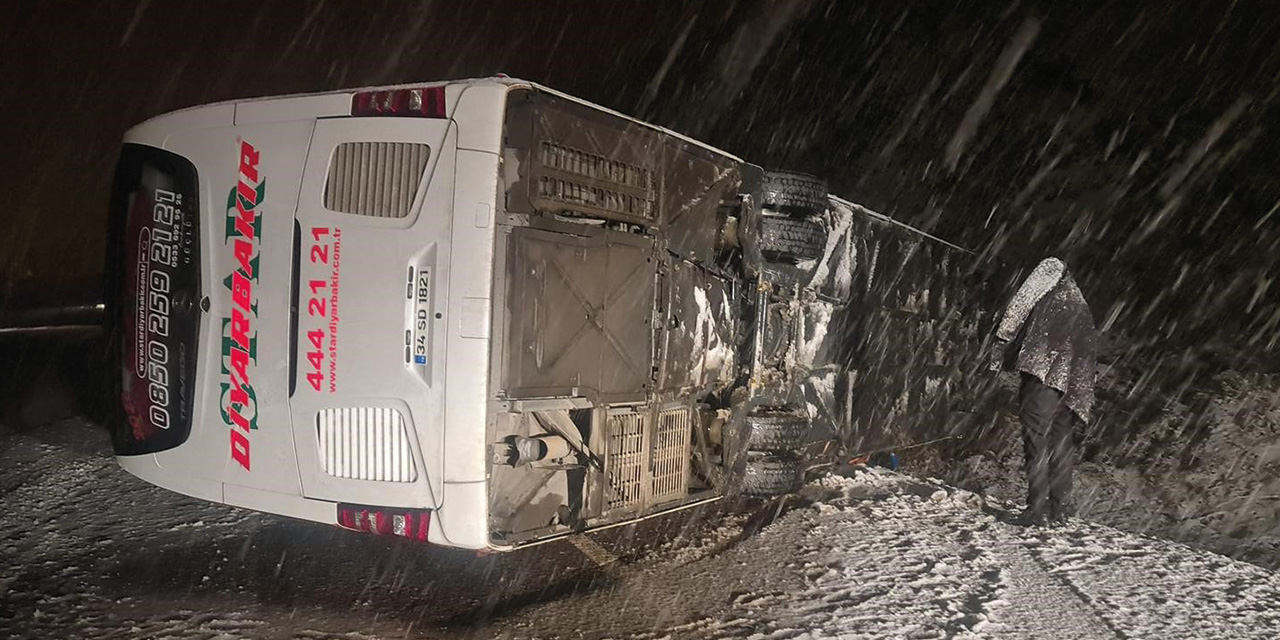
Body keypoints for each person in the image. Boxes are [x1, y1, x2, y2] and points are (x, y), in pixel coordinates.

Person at [990, 257, 1097, 526]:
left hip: (1043, 372)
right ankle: (1060, 508)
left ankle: (1036, 509)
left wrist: (1000, 344)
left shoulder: (1049, 269)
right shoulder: (1078, 301)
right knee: (1060, 443)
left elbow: (1020, 305)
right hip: (1072, 383)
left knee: (1035, 439)